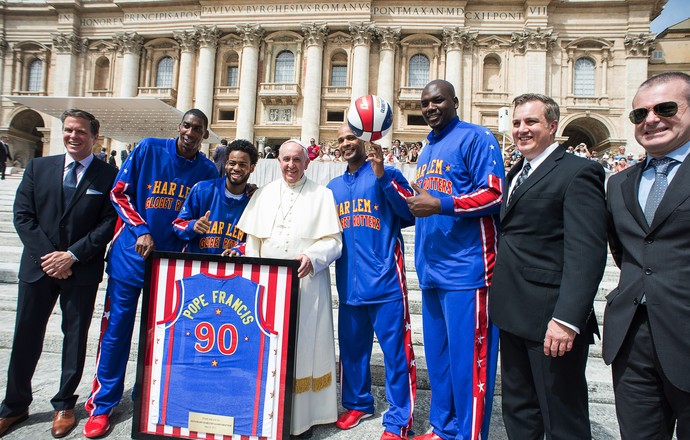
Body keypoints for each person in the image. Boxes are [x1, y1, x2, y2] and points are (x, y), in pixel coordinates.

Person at [82, 109, 217, 438]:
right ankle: (102, 403)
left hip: (171, 264)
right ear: (179, 127)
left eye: (198, 129)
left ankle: (156, 396)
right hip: (131, 255)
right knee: (116, 331)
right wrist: (141, 229)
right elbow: (119, 192)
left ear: (205, 135)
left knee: (168, 338)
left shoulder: (208, 169)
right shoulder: (148, 149)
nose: (191, 132)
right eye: (187, 125)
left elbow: (215, 208)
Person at [490, 93, 607, 439]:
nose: (521, 130)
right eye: (516, 123)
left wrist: (568, 319)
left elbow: (586, 252)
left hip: (551, 321)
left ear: (552, 126)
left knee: (562, 417)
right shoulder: (515, 174)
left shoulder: (579, 171)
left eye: (531, 122)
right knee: (519, 410)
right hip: (512, 315)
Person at [0, 109, 118, 439]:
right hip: (39, 268)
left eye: (81, 131)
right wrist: (49, 257)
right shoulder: (39, 167)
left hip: (80, 269)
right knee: (25, 335)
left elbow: (108, 223)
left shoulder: (108, 175)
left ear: (95, 137)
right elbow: (23, 216)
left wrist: (72, 255)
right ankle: (14, 404)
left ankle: (64, 403)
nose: (73, 136)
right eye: (68, 130)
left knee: (75, 338)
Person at [405, 79, 504, 440]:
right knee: (440, 361)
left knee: (469, 365)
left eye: (438, 101)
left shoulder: (477, 137)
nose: (431, 107)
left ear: (455, 102)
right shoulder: (428, 147)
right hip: (432, 271)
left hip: (468, 270)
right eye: (425, 102)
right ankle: (443, 428)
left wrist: (441, 204)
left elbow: (494, 194)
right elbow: (427, 200)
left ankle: (470, 434)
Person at [603, 71, 690, 439]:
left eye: (665, 108)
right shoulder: (619, 183)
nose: (651, 119)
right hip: (633, 341)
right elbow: (626, 253)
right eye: (640, 114)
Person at [236, 140, 342, 439]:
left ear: (307, 162)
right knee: (267, 349)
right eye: (286, 159)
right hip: (267, 287)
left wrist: (313, 257)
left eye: (297, 160)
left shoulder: (323, 195)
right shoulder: (265, 194)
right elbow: (253, 241)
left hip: (306, 285)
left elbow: (334, 242)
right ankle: (266, 411)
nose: (291, 165)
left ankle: (303, 417)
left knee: (304, 347)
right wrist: (253, 278)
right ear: (277, 161)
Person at [327, 124, 416, 440]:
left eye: (351, 137)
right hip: (349, 285)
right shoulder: (333, 187)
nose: (345, 143)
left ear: (365, 140)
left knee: (396, 355)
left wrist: (382, 177)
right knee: (351, 352)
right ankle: (357, 403)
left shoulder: (388, 173)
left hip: (386, 282)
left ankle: (398, 420)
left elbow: (410, 213)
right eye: (340, 140)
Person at [173, 139, 258, 254]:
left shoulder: (255, 201)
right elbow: (177, 225)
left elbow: (255, 240)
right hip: (198, 267)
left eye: (242, 165)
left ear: (252, 168)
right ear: (226, 164)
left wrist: (239, 249)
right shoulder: (202, 190)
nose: (236, 168)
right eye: (232, 163)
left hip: (233, 269)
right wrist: (193, 225)